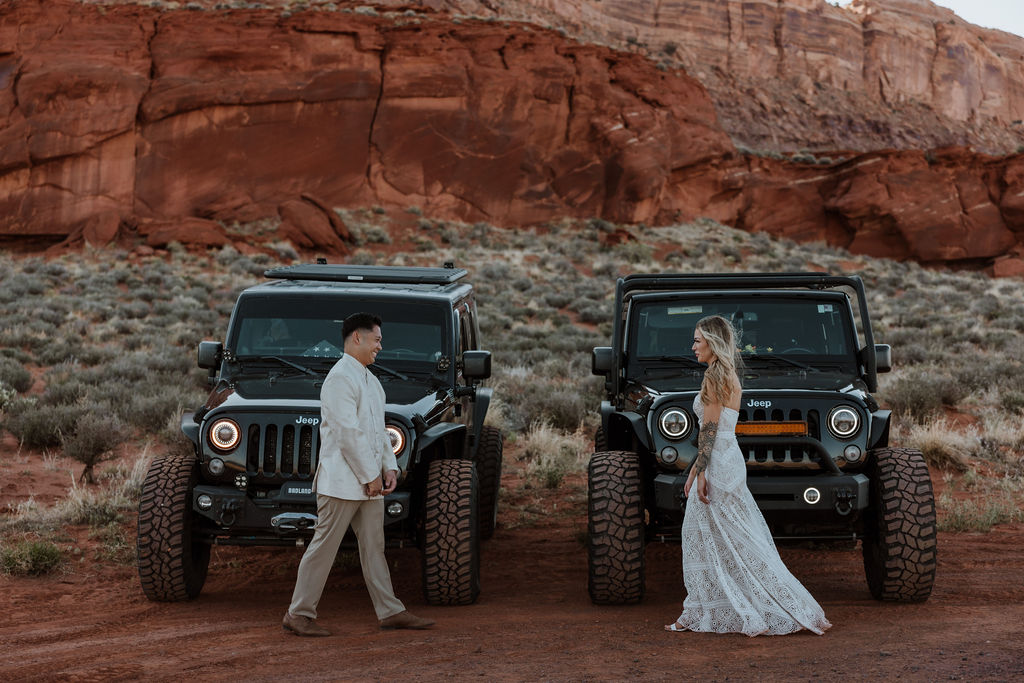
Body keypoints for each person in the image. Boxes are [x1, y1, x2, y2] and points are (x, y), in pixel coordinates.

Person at [665, 315, 831, 637]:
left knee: (711, 538)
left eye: (698, 340)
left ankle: (707, 610)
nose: (693, 347)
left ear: (712, 343)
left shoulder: (714, 376)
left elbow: (709, 430)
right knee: (730, 537)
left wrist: (698, 472)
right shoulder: (728, 374)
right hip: (728, 457)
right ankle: (700, 610)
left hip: (718, 460)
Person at [283, 312, 434, 636]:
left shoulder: (371, 381)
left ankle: (390, 612)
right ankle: (298, 614)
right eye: (377, 339)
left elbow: (377, 432)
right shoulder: (340, 379)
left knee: (373, 547)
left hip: (369, 484)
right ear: (357, 338)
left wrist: (389, 468)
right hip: (341, 483)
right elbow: (347, 433)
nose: (381, 345)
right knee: (323, 547)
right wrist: (370, 476)